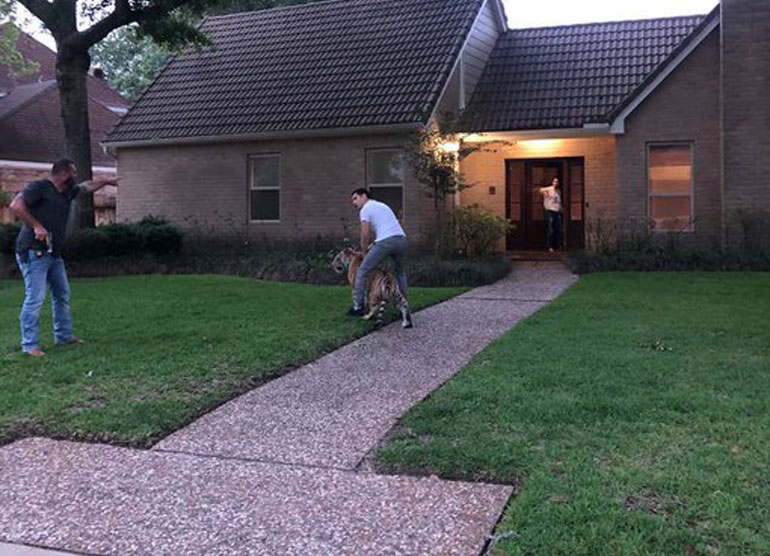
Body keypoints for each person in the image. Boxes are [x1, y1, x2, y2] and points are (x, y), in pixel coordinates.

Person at [10, 158, 119, 356]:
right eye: (72, 173)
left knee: (62, 295)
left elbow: (86, 187)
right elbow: (16, 206)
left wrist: (107, 181)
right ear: (62, 173)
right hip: (33, 251)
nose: (74, 177)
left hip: (53, 253)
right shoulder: (40, 187)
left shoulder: (67, 192)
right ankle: (29, 345)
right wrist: (36, 226)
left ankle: (63, 337)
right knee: (35, 298)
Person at [347, 188, 408, 317]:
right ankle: (403, 306)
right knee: (400, 273)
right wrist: (373, 245)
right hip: (401, 239)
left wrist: (364, 254)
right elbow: (386, 228)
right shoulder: (382, 205)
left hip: (386, 242)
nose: (353, 202)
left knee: (363, 271)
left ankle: (358, 307)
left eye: (355, 198)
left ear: (364, 196)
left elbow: (365, 234)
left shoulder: (365, 209)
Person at [538, 176, 563, 252]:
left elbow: (559, 201)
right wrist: (544, 192)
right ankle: (550, 246)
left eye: (557, 182)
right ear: (552, 182)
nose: (556, 183)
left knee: (558, 228)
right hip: (550, 211)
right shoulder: (549, 189)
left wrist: (561, 209)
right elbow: (540, 190)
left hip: (557, 211)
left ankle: (558, 245)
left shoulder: (558, 191)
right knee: (550, 229)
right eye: (554, 181)